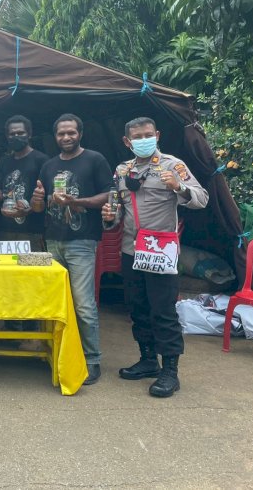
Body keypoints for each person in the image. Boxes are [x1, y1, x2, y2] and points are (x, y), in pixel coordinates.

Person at [102, 117, 208, 397]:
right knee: (136, 307)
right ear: (127, 141)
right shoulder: (122, 170)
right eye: (137, 136)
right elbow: (118, 212)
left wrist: (178, 187)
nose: (143, 139)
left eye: (148, 134)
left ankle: (170, 371)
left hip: (161, 251)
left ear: (157, 135)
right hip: (132, 249)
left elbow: (202, 198)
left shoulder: (173, 166)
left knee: (163, 310)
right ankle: (148, 359)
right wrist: (110, 218)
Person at [32, 113, 113, 385]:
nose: (66, 137)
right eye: (61, 134)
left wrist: (76, 201)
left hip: (81, 241)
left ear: (80, 134)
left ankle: (91, 360)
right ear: (55, 137)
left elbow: (108, 194)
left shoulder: (95, 159)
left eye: (71, 132)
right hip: (53, 239)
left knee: (84, 304)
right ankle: (56, 353)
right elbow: (41, 205)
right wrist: (37, 200)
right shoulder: (49, 165)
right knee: (54, 301)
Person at [0, 115, 49, 250]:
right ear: (7, 136)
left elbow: (47, 195)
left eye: (20, 133)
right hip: (5, 229)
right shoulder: (4, 161)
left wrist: (28, 210)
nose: (16, 136)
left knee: (32, 270)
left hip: (33, 230)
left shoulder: (42, 160)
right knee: (5, 270)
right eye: (12, 134)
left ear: (29, 134)